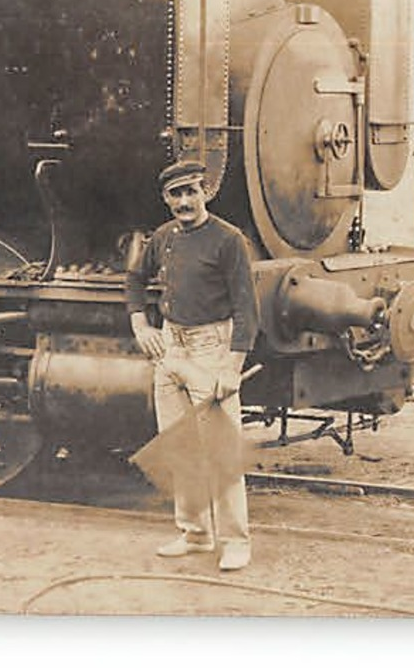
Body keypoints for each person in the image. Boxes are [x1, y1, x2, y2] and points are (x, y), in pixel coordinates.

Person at [125, 158, 259, 571]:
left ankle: (236, 540)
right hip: (170, 346)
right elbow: (134, 279)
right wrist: (140, 324)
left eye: (191, 191)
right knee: (179, 446)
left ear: (205, 192)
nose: (185, 201)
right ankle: (196, 534)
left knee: (221, 450)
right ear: (166, 199)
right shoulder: (164, 238)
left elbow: (247, 310)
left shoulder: (228, 239)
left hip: (210, 349)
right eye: (175, 194)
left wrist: (231, 368)